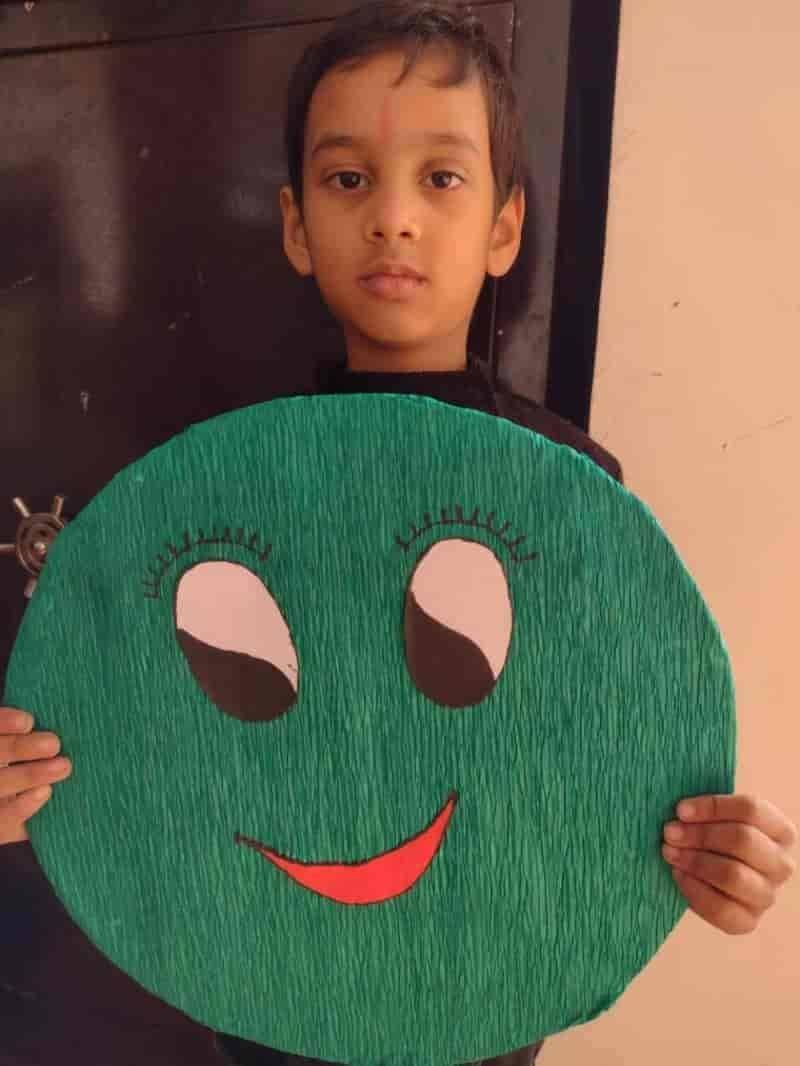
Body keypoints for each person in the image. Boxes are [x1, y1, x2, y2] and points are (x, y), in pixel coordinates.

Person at [0, 4, 795, 1065]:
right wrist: (37, 785)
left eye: (441, 177)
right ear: (295, 227)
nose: (393, 218)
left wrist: (707, 852)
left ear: (504, 227)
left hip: (484, 997)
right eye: (347, 179)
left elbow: (597, 755)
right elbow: (143, 743)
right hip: (266, 995)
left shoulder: (571, 493)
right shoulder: (222, 493)